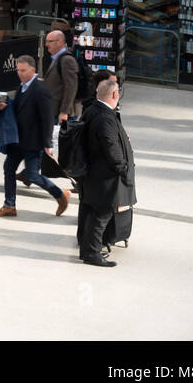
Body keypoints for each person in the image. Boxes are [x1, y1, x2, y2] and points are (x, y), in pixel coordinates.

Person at [0, 55, 71, 217]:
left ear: (33, 70)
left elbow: (47, 118)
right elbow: (20, 110)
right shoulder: (22, 87)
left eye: (23, 70)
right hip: (18, 140)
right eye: (18, 70)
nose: (20, 73)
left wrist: (47, 143)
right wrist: (6, 106)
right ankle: (9, 205)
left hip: (34, 142)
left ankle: (59, 195)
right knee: (8, 168)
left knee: (32, 175)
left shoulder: (40, 90)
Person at [79, 77, 136, 267]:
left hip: (92, 173)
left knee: (91, 211)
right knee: (102, 214)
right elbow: (111, 146)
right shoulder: (105, 117)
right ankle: (92, 254)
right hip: (105, 177)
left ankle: (87, 250)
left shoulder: (92, 110)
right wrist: (123, 167)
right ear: (114, 94)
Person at [44, 29, 80, 124]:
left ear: (59, 42)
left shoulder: (67, 60)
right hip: (54, 110)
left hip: (62, 113)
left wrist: (64, 112)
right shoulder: (57, 58)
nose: (46, 44)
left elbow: (71, 87)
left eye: (49, 41)